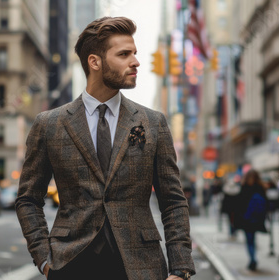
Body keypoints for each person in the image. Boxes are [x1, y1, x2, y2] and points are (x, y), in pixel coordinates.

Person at [15, 17, 195, 280]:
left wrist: (180, 269)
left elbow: (173, 201)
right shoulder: (49, 124)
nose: (136, 62)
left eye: (134, 53)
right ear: (94, 62)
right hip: (70, 265)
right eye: (124, 54)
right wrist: (44, 259)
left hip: (140, 267)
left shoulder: (153, 123)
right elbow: (28, 199)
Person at [234, 169, 268, 271]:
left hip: (246, 218)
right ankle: (253, 257)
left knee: (249, 240)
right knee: (253, 238)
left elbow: (239, 205)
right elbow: (266, 204)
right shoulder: (261, 187)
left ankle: (252, 259)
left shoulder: (244, 187)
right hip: (257, 218)